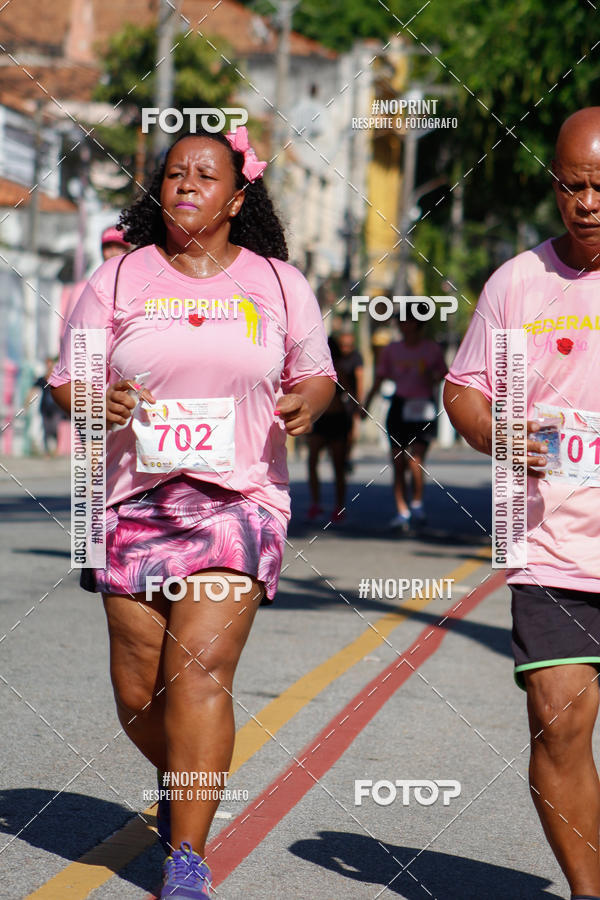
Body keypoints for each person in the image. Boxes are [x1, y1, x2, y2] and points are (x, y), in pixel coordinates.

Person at [49, 126, 335, 898]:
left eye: (205, 176)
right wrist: (93, 398)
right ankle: (192, 782)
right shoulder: (117, 280)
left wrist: (309, 399)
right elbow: (66, 382)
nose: (185, 186)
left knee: (199, 673)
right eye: (174, 174)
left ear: (238, 198)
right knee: (141, 695)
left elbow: (317, 374)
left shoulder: (278, 284)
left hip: (239, 499)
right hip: (133, 500)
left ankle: (186, 859)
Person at [443, 107, 600, 900]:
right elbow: (464, 388)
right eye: (574, 185)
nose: (589, 202)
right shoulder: (519, 282)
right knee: (560, 716)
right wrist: (494, 434)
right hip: (551, 545)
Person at [363, 307, 447, 529]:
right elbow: (380, 378)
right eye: (400, 321)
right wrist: (365, 404)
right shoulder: (392, 350)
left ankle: (417, 503)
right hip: (399, 407)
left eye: (408, 321)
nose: (403, 325)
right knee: (398, 462)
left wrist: (433, 377)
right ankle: (402, 509)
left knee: (415, 461)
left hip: (423, 408)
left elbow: (444, 375)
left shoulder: (432, 350)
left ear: (418, 324)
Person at [306, 328, 363, 522]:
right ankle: (322, 504)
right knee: (318, 462)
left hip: (334, 419)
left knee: (332, 464)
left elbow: (348, 391)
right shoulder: (317, 368)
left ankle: (334, 506)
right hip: (326, 419)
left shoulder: (337, 369)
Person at [30, 356, 68, 455]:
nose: (49, 366)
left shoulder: (58, 378)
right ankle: (47, 451)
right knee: (46, 429)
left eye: (50, 363)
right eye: (47, 364)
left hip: (56, 408)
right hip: (44, 408)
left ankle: (56, 449)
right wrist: (27, 402)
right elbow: (33, 389)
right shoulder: (42, 379)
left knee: (55, 427)